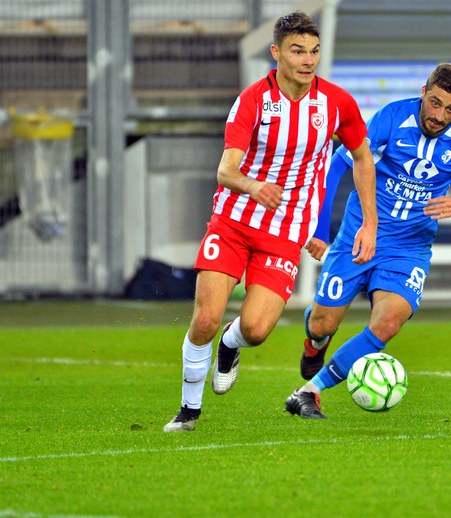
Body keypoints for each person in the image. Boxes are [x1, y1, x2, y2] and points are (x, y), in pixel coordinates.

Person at [163, 11, 378, 432]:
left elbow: (362, 158)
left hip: (284, 232)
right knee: (205, 318)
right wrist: (253, 186)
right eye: (298, 51)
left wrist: (368, 223)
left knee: (257, 330)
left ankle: (231, 344)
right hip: (233, 222)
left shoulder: (336, 103)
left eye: (314, 51)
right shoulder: (252, 100)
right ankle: (188, 412)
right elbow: (226, 171)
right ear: (277, 52)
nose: (308, 60)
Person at [283, 63, 451, 419]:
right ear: (424, 90)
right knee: (323, 323)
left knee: (387, 323)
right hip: (360, 234)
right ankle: (315, 341)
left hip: (409, 248)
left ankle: (309, 392)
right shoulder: (391, 118)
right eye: (434, 102)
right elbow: (337, 165)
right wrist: (321, 230)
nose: (439, 115)